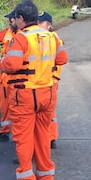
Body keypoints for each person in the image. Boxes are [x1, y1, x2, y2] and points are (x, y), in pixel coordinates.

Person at [0, 0, 68, 180]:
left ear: (21, 19)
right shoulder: (51, 37)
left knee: (23, 136)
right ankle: (45, 174)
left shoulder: (20, 39)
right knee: (42, 134)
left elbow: (11, 64)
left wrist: (1, 62)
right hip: (47, 93)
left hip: (24, 95)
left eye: (16, 19)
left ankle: (25, 178)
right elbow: (62, 59)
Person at [38, 11, 61, 150]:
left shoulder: (52, 39)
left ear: (49, 25)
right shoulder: (42, 37)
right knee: (47, 112)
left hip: (49, 81)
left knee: (48, 112)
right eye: (36, 22)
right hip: (44, 81)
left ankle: (51, 138)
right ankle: (50, 138)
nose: (38, 25)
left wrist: (53, 79)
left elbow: (60, 61)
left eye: (41, 22)